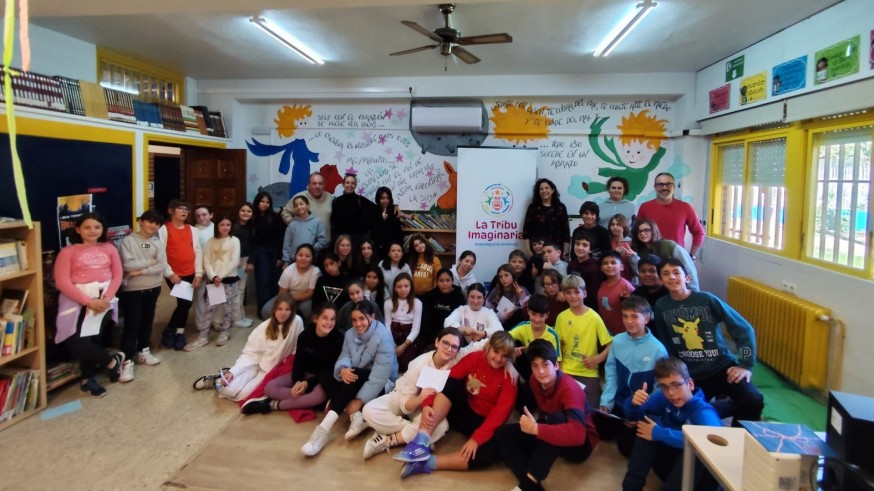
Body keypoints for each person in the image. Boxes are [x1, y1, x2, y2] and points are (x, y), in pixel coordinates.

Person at [653, 258, 764, 426]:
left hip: (720, 367)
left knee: (753, 399)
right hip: (690, 374)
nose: (672, 277)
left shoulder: (706, 299)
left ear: (687, 278)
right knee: (685, 412)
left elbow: (743, 328)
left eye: (676, 272)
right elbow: (666, 342)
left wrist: (745, 364)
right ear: (661, 280)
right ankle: (714, 413)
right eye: (666, 274)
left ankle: (739, 439)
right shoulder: (661, 306)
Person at [393, 331, 519, 479]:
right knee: (451, 384)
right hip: (463, 411)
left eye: (504, 356)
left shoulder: (509, 378)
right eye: (496, 352)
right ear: (488, 348)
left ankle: (426, 463)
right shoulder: (475, 358)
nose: (498, 359)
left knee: (492, 452)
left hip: (484, 422)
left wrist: (476, 439)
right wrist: (427, 403)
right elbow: (446, 380)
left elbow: (499, 415)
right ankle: (421, 442)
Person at [361, 327, 483, 459]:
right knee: (369, 410)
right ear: (437, 342)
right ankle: (418, 435)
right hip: (405, 396)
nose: (449, 349)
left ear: (458, 350)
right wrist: (420, 399)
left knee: (441, 425)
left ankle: (389, 439)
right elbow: (405, 403)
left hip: (430, 405)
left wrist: (483, 333)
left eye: (454, 347)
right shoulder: (419, 363)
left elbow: (483, 345)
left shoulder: (458, 356)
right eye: (445, 343)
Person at [497, 340, 598, 491]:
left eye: (545, 364)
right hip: (552, 427)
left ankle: (527, 485)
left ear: (556, 365)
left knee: (555, 419)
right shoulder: (534, 380)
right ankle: (532, 486)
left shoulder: (570, 390)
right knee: (503, 433)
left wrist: (536, 429)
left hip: (580, 446)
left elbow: (578, 435)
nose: (541, 371)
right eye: (535, 366)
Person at [301, 300, 398, 456]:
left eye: (362, 319)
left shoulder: (383, 336)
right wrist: (343, 369)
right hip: (355, 379)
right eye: (354, 319)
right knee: (327, 374)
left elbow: (381, 374)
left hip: (380, 384)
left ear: (372, 317)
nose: (358, 324)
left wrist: (359, 401)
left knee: (355, 375)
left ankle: (323, 429)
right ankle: (355, 415)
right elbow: (344, 356)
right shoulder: (349, 334)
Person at [621, 357, 721, 491]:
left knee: (696, 449)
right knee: (648, 423)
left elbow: (711, 444)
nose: (671, 393)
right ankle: (630, 487)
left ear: (690, 384)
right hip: (672, 468)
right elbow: (633, 417)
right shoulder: (664, 397)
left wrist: (659, 433)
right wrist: (633, 404)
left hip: (700, 481)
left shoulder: (703, 412)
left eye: (676, 385)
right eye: (664, 387)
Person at [54, 212, 124, 397]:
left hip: (103, 301)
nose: (92, 231)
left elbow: (117, 275)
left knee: (93, 339)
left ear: (102, 230)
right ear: (78, 229)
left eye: (97, 227)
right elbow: (62, 281)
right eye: (87, 227)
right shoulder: (68, 252)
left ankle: (88, 379)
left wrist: (106, 299)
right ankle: (112, 362)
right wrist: (88, 302)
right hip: (76, 303)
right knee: (78, 344)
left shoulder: (110, 249)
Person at [193, 294, 304, 402]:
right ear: (274, 310)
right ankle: (218, 378)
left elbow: (297, 347)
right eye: (279, 309)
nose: (283, 313)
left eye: (287, 309)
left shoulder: (297, 322)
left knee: (243, 395)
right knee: (227, 390)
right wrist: (234, 372)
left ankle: (227, 376)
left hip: (269, 371)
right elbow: (250, 354)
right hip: (255, 364)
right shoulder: (264, 328)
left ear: (292, 311)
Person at [242, 302, 343, 414]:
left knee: (317, 396)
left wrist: (308, 384)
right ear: (316, 319)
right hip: (304, 374)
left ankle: (272, 405)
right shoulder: (305, 336)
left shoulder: (338, 339)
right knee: (269, 387)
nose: (329, 323)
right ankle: (303, 400)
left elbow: (330, 371)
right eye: (325, 318)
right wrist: (297, 382)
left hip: (322, 379)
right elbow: (298, 362)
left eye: (332, 319)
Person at [599, 296, 668, 457]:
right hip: (620, 401)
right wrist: (606, 401)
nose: (629, 321)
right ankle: (622, 423)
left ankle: (629, 425)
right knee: (601, 430)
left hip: (641, 407)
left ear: (646, 318)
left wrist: (640, 414)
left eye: (635, 316)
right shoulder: (617, 341)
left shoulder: (658, 349)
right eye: (625, 316)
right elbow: (611, 373)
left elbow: (660, 388)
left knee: (627, 450)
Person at [117, 209, 167, 382]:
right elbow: (128, 265)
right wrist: (150, 262)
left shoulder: (157, 242)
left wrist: (141, 271)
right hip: (133, 290)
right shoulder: (128, 241)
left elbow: (162, 265)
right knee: (132, 324)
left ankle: (143, 351)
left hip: (153, 287)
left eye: (157, 223)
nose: (153, 226)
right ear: (140, 221)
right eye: (150, 221)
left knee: (147, 320)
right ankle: (127, 361)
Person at [184, 214, 240, 351]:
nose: (225, 227)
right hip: (214, 280)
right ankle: (203, 336)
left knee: (227, 308)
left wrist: (221, 276)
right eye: (222, 225)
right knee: (210, 308)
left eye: (228, 225)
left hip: (228, 279)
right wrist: (213, 276)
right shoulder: (210, 242)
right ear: (217, 226)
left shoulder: (234, 240)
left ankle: (224, 332)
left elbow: (234, 261)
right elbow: (207, 261)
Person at [555, 275, 612, 407]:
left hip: (589, 373)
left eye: (576, 292)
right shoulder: (561, 318)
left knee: (591, 410)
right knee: (567, 407)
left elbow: (610, 344)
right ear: (564, 295)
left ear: (584, 293)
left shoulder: (594, 317)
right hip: (567, 371)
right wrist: (561, 370)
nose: (573, 296)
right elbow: (558, 346)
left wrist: (597, 359)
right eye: (568, 293)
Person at [158, 199, 203, 351]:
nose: (184, 211)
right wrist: (170, 274)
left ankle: (176, 332)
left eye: (186, 209)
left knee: (185, 304)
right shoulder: (163, 229)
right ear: (171, 211)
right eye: (180, 208)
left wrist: (198, 273)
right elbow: (160, 254)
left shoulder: (192, 230)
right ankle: (173, 330)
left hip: (190, 272)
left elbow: (197, 251)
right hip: (174, 274)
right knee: (184, 303)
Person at [636, 172, 705, 258]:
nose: (664, 187)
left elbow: (699, 232)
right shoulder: (645, 207)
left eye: (668, 184)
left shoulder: (685, 207)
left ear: (674, 187)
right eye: (660, 184)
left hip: (675, 258)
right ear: (655, 187)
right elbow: (637, 232)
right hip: (650, 258)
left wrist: (692, 256)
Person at [630, 219, 699, 290]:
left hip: (679, 289)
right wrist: (635, 260)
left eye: (646, 230)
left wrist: (693, 292)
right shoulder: (640, 251)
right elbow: (643, 276)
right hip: (659, 291)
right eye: (639, 231)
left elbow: (689, 268)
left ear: (653, 231)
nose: (643, 233)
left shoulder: (668, 245)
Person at [507, 294, 561, 383]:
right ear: (528, 311)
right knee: (512, 344)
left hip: (545, 370)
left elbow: (557, 362)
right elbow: (502, 340)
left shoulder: (552, 335)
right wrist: (511, 351)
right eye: (534, 314)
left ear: (547, 315)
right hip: (528, 369)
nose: (537, 319)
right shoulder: (523, 326)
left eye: (541, 315)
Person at [250, 191, 286, 317]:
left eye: (267, 202)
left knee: (275, 283)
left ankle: (273, 310)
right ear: (257, 202)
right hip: (260, 253)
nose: (264, 204)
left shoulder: (275, 217)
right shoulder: (252, 217)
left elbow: (280, 237)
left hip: (274, 253)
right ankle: (262, 311)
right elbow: (252, 240)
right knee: (262, 283)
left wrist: (280, 257)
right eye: (262, 201)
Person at [265, 243, 320, 321]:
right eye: (300, 255)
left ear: (312, 258)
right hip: (286, 297)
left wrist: (291, 296)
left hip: (306, 299)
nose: (303, 258)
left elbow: (310, 294)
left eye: (307, 256)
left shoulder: (315, 271)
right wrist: (289, 300)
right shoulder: (288, 270)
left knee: (308, 309)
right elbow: (283, 294)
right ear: (295, 256)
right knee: (266, 310)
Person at [418, 268, 465, 353]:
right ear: (437, 282)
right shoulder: (429, 296)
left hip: (452, 336)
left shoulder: (459, 297)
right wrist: (435, 340)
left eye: (448, 280)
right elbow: (426, 321)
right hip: (432, 337)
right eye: (441, 280)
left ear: (452, 281)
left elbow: (461, 321)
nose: (445, 284)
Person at [383, 272, 422, 371]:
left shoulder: (417, 303)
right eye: (399, 287)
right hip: (393, 334)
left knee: (406, 363)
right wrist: (391, 342)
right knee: (388, 359)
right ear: (395, 288)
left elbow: (416, 328)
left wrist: (405, 345)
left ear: (411, 287)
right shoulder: (388, 303)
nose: (403, 289)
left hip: (408, 336)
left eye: (406, 286)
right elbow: (387, 325)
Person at [522, 178, 570, 256]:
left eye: (547, 188)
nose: (544, 191)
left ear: (552, 190)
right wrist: (528, 251)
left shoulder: (560, 207)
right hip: (537, 251)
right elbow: (526, 231)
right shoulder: (533, 207)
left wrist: (565, 253)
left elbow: (566, 233)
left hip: (556, 252)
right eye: (541, 189)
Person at [281, 171, 334, 240]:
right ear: (308, 185)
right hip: (305, 245)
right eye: (314, 183)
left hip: (326, 244)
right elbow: (285, 212)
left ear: (324, 185)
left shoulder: (330, 198)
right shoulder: (299, 197)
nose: (317, 186)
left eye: (320, 184)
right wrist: (293, 223)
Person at [280, 195, 327, 267]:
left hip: (311, 260)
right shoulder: (292, 225)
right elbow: (287, 245)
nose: (299, 207)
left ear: (308, 205)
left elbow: (322, 240)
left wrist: (310, 250)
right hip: (294, 261)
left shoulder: (317, 222)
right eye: (296, 205)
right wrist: (286, 261)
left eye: (301, 204)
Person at [330, 174, 375, 248]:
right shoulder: (336, 201)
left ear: (355, 185)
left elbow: (376, 208)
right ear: (343, 184)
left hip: (356, 242)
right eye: (347, 182)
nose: (350, 185)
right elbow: (333, 222)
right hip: (340, 241)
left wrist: (394, 207)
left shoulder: (361, 200)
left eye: (352, 183)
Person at [597, 251, 635, 335]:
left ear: (621, 267)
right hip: (606, 333)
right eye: (605, 263)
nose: (609, 265)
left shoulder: (626, 286)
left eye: (613, 262)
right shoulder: (602, 284)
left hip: (624, 334)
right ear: (601, 268)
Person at [231, 202, 255, 328]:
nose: (245, 213)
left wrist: (250, 262)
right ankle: (234, 318)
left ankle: (239, 316)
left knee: (241, 289)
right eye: (243, 210)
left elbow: (253, 246)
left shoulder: (252, 228)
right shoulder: (232, 227)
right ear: (238, 212)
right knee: (233, 290)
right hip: (232, 262)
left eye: (249, 211)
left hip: (245, 260)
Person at [485, 263, 531, 329]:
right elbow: (487, 310)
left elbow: (530, 311)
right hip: (500, 324)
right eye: (500, 277)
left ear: (513, 276)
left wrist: (523, 298)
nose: (503, 279)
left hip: (519, 325)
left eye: (506, 275)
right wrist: (500, 316)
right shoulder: (495, 291)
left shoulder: (521, 290)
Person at [567, 231, 602, 312]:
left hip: (588, 308)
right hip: (572, 303)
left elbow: (593, 294)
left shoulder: (594, 268)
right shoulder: (571, 264)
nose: (580, 247)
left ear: (590, 249)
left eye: (585, 245)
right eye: (577, 244)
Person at [371, 186, 403, 259]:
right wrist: (381, 219)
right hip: (378, 249)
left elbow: (398, 232)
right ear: (378, 199)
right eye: (382, 198)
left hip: (393, 249)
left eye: (387, 198)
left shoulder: (394, 210)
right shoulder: (373, 211)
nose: (385, 200)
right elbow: (374, 231)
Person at [607, 213, 636, 283]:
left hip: (628, 279)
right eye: (612, 224)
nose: (615, 227)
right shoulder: (607, 242)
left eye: (618, 225)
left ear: (624, 226)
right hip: (609, 279)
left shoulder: (631, 242)